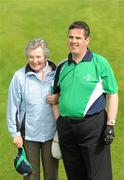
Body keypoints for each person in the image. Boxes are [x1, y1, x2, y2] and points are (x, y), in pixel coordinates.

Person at [48, 21, 118, 180]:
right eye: (71, 37)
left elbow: (113, 94)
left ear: (87, 40)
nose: (73, 41)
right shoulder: (62, 67)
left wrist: (110, 124)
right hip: (66, 128)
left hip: (93, 126)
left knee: (98, 175)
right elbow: (55, 97)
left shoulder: (99, 63)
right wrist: (59, 121)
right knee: (74, 174)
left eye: (78, 37)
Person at [7, 38, 58, 180]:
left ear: (45, 56)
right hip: (28, 135)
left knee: (51, 175)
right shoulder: (19, 77)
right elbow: (13, 107)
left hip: (51, 134)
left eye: (38, 57)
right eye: (31, 57)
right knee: (30, 176)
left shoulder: (56, 73)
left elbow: (66, 96)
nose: (34, 61)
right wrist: (15, 133)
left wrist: (57, 98)